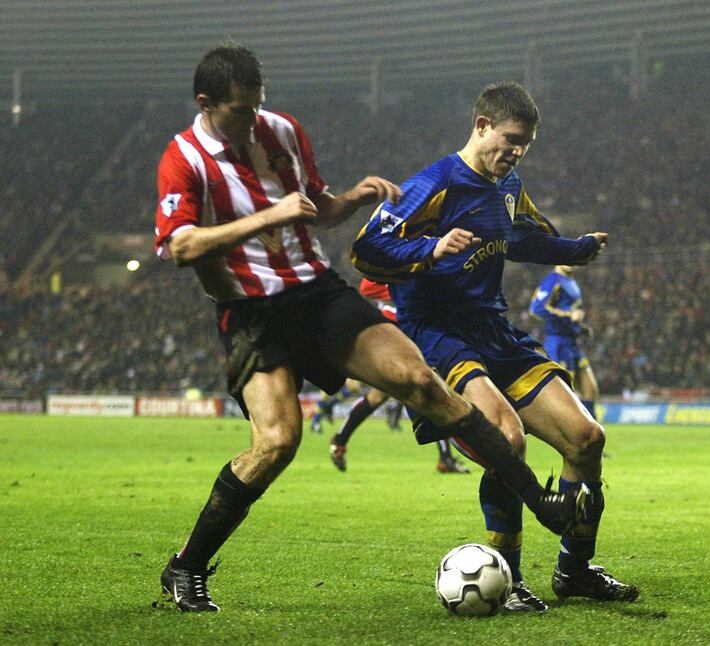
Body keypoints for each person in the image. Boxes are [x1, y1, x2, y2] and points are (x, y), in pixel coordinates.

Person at [154, 46, 591, 613]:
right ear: (206, 104)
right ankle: (185, 568)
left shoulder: (282, 131)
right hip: (252, 311)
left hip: (316, 292)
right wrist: (270, 216)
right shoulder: (184, 158)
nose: (253, 120)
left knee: (421, 381)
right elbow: (177, 246)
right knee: (278, 441)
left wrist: (350, 200)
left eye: (258, 106)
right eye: (241, 111)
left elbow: (318, 209)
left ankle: (543, 505)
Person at [352, 81, 638, 611]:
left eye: (524, 145)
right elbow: (366, 250)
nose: (515, 152)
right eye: (509, 140)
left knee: (586, 438)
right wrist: (430, 249)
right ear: (481, 125)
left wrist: (574, 250)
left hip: (493, 330)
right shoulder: (433, 184)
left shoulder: (508, 187)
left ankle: (575, 571)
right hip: (438, 334)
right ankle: (510, 579)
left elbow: (523, 237)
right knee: (505, 438)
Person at [329, 278, 470, 474]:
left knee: (384, 395)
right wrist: (403, 289)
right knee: (428, 390)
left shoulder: (418, 259)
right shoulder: (394, 258)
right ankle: (445, 457)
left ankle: (339, 441)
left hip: (408, 328)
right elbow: (367, 287)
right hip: (393, 329)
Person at [530, 265, 599, 420]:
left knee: (590, 388)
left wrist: (579, 327)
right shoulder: (553, 280)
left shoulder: (571, 282)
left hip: (572, 342)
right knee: (566, 394)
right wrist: (569, 315)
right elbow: (536, 308)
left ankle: (593, 433)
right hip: (558, 342)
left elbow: (569, 312)